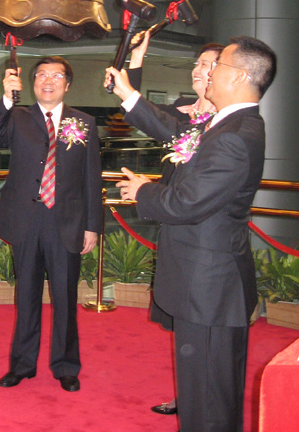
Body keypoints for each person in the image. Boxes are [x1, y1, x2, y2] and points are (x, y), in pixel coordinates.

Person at [105, 36, 277, 432]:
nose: (208, 72)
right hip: (205, 284)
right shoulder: (226, 124)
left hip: (210, 288)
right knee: (206, 393)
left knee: (208, 401)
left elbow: (186, 203)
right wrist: (129, 89)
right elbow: (174, 133)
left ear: (239, 77)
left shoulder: (234, 135)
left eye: (217, 66)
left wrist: (143, 191)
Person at [0, 56, 101, 392]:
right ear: (33, 82)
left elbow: (92, 177)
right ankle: (22, 364)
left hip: (67, 222)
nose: (48, 81)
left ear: (67, 84)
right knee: (26, 296)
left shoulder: (84, 122)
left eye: (56, 76)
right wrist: (7, 97)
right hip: (27, 219)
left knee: (65, 297)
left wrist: (92, 225)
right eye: (42, 75)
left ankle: (66, 365)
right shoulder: (17, 116)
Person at [128, 34, 224, 417]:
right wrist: (137, 58)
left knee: (201, 319)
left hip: (203, 232)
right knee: (183, 320)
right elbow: (135, 106)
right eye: (197, 63)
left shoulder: (224, 124)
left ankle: (202, 402)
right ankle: (189, 395)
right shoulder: (181, 113)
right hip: (173, 221)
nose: (198, 70)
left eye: (207, 64)